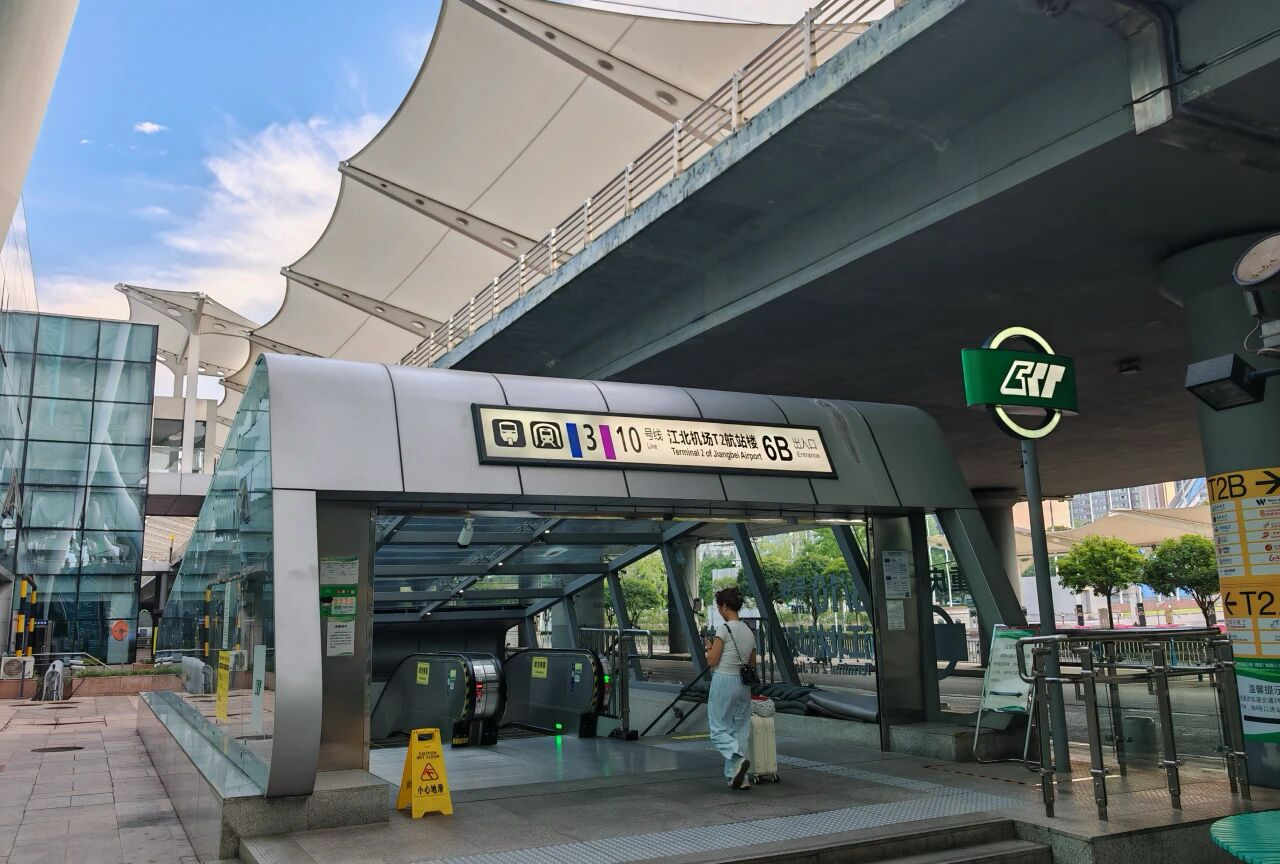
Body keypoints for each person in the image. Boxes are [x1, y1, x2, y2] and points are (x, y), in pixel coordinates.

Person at [703, 586, 755, 789]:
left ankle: (737, 759)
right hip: (743, 684)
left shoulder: (724, 629)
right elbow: (752, 663)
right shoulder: (748, 631)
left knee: (718, 729)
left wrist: (709, 649)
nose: (719, 611)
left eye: (719, 607)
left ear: (724, 606)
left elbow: (712, 661)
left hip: (724, 679)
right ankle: (738, 778)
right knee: (740, 729)